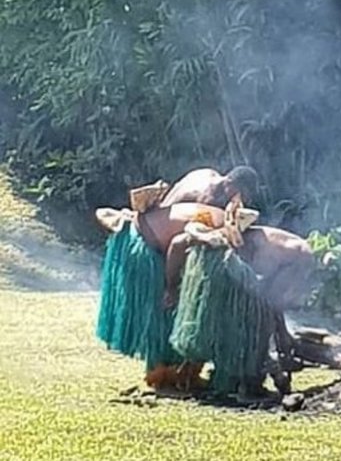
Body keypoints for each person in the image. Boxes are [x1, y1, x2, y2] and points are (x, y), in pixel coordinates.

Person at [163, 215, 320, 397]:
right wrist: (171, 289)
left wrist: (282, 336)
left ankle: (247, 380)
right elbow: (270, 301)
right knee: (234, 325)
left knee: (251, 323)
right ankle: (245, 382)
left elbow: (272, 300)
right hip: (238, 277)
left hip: (254, 274)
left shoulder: (287, 254)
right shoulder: (208, 241)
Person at [95, 201, 228, 391]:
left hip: (145, 237)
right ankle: (163, 376)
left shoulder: (219, 219)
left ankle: (180, 374)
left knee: (173, 310)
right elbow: (177, 244)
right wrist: (170, 288)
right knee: (164, 313)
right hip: (144, 247)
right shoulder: (218, 230)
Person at [159, 165, 260, 208]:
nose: (239, 201)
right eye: (241, 195)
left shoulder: (208, 172)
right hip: (160, 222)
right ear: (230, 183)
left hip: (161, 208)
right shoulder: (209, 199)